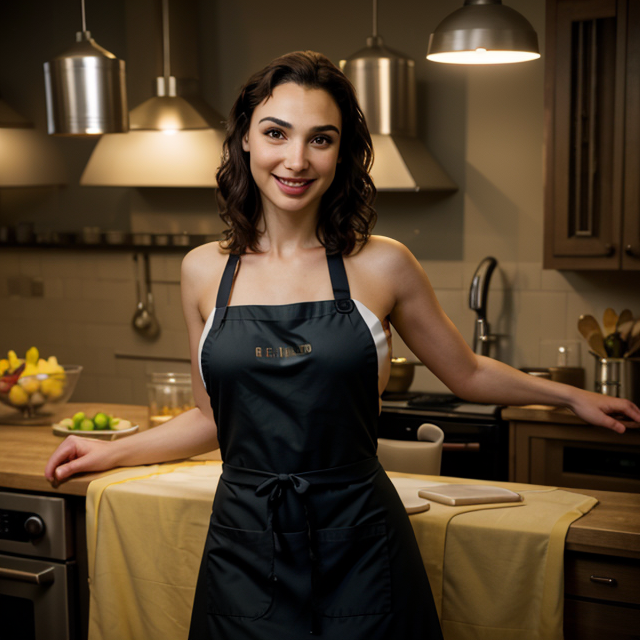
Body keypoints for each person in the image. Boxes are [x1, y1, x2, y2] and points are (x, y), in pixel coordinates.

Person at [45, 51, 640, 640]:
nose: (296, 160)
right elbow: (212, 418)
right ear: (246, 140)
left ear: (342, 152)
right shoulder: (203, 271)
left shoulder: (384, 263)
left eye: (320, 139)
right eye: (276, 132)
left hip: (361, 538)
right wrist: (113, 452)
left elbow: (467, 375)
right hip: (245, 539)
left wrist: (569, 398)